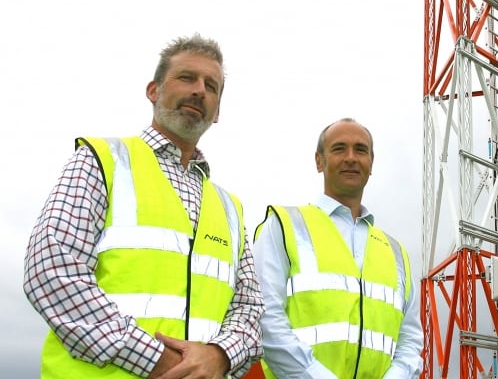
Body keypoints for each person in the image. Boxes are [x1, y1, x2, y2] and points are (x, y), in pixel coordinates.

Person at [23, 34, 264, 378]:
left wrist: (219, 356)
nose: (199, 90)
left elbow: (250, 308)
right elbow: (52, 271)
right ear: (154, 91)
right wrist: (161, 361)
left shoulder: (229, 207)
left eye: (211, 86)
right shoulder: (101, 161)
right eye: (186, 78)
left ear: (218, 112)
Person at [250, 118, 423, 378]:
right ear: (320, 161)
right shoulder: (283, 226)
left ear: (371, 164)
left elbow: (409, 338)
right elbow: (266, 318)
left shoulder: (395, 252)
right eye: (339, 148)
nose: (351, 157)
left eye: (360, 150)